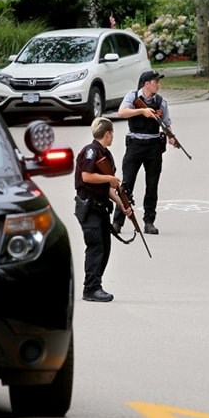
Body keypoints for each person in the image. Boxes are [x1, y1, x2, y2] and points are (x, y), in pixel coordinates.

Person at [111, 70, 176, 235]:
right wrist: (141, 111)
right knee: (126, 184)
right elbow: (122, 112)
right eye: (155, 82)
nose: (158, 85)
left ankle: (149, 222)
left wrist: (171, 137)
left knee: (152, 185)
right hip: (135, 145)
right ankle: (117, 222)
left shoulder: (161, 102)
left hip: (154, 145)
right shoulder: (132, 97)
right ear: (146, 84)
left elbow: (166, 123)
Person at [75, 117, 132, 302]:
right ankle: (90, 288)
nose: (113, 137)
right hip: (89, 207)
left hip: (100, 207)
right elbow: (87, 177)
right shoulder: (91, 151)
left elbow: (106, 188)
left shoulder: (105, 154)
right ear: (107, 134)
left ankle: (95, 284)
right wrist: (109, 179)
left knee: (105, 247)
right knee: (96, 246)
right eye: (112, 133)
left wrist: (121, 204)